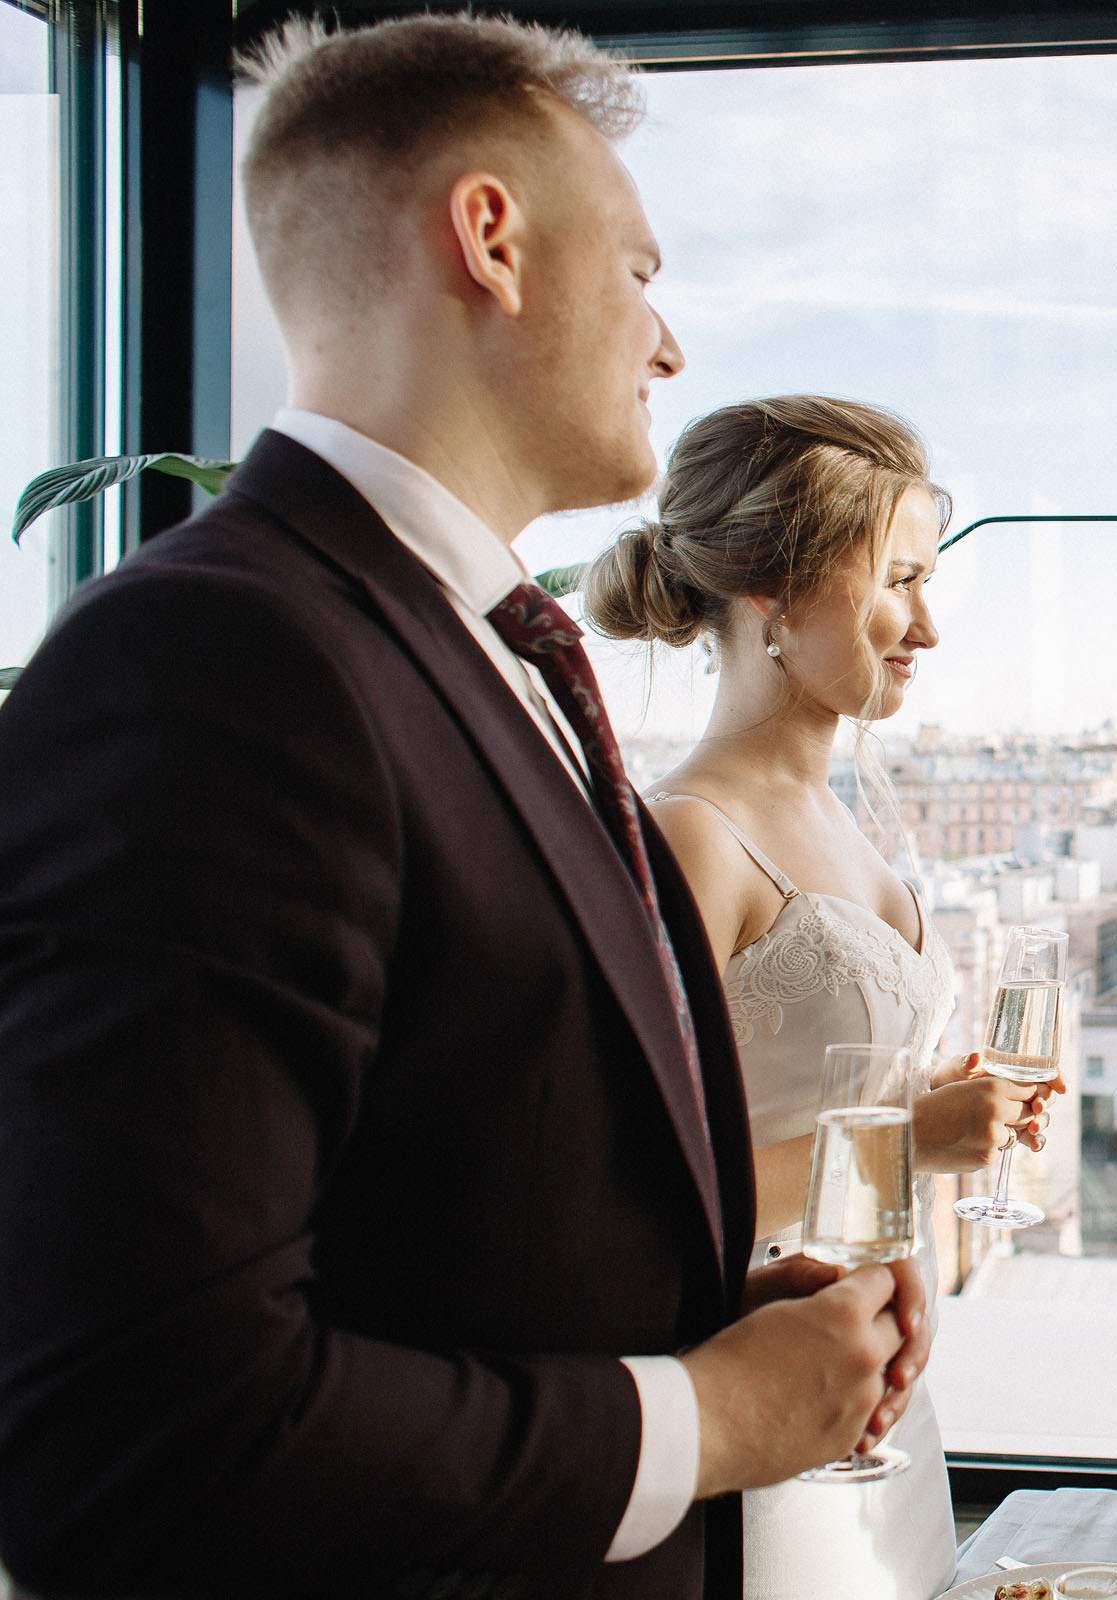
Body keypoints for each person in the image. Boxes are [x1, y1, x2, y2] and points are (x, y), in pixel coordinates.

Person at [0, 18, 923, 1597]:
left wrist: (713, 1300)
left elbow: (446, 1203)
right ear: (491, 240)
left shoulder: (474, 652)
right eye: (639, 271)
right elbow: (129, 1439)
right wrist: (706, 1418)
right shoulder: (216, 657)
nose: (670, 342)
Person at [584, 396, 1057, 1600]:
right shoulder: (693, 836)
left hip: (879, 1393)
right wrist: (917, 1141)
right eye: (899, 580)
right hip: (761, 1385)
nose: (930, 628)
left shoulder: (850, 818)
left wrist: (933, 1113)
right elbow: (638, 1188)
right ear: (774, 596)